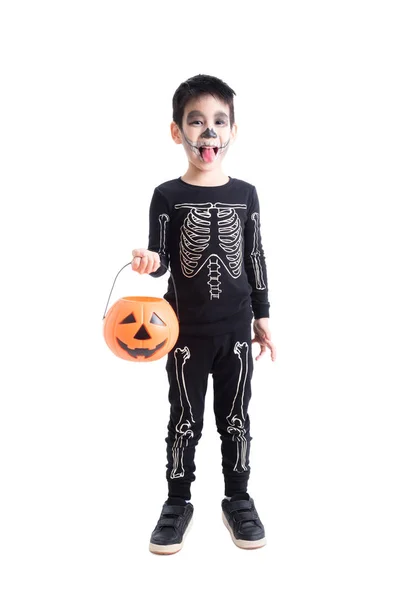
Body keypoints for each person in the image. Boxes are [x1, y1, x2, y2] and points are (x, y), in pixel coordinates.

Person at [131, 74, 276, 554]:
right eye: (197, 122)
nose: (208, 132)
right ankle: (177, 501)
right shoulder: (166, 196)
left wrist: (263, 316)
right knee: (183, 419)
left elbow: (254, 255)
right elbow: (163, 260)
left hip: (235, 332)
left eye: (219, 122)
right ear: (178, 132)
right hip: (184, 334)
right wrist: (152, 263)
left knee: (235, 416)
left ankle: (237, 497)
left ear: (233, 131)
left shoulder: (247, 194)